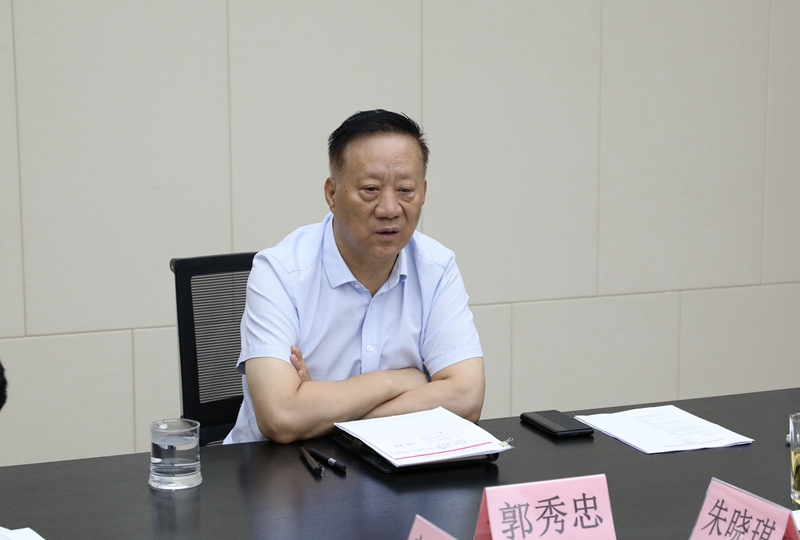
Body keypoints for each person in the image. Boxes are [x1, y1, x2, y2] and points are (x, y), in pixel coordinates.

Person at [224, 110, 484, 444]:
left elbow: (466, 397)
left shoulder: (437, 267)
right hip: (277, 467)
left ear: (423, 192)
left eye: (405, 190)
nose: (389, 209)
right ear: (332, 194)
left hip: (392, 462)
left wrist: (322, 409)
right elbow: (282, 417)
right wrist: (398, 381)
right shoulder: (280, 272)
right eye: (371, 189)